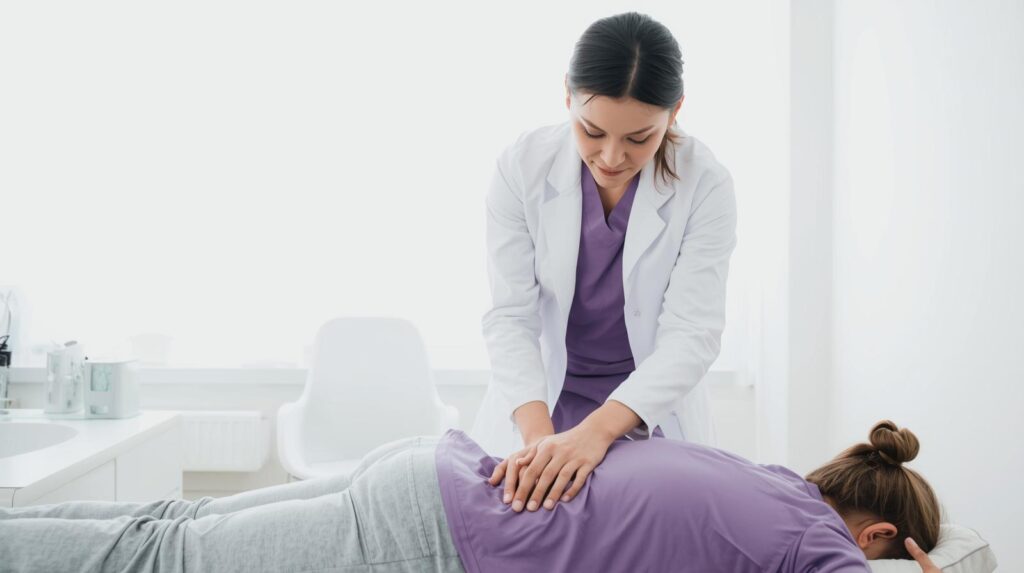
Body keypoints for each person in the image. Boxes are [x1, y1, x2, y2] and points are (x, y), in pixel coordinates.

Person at [0, 420, 944, 572]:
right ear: (882, 533)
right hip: (431, 535)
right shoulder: (816, 543)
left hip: (435, 474)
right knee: (163, 558)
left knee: (172, 530)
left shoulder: (770, 480)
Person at [470, 11, 738, 515]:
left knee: (650, 534)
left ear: (675, 111)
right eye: (591, 130)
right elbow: (511, 316)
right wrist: (537, 444)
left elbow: (692, 333)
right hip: (543, 398)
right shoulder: (521, 167)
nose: (612, 156)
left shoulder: (705, 184)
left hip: (644, 404)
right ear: (566, 95)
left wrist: (594, 435)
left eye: (640, 138)